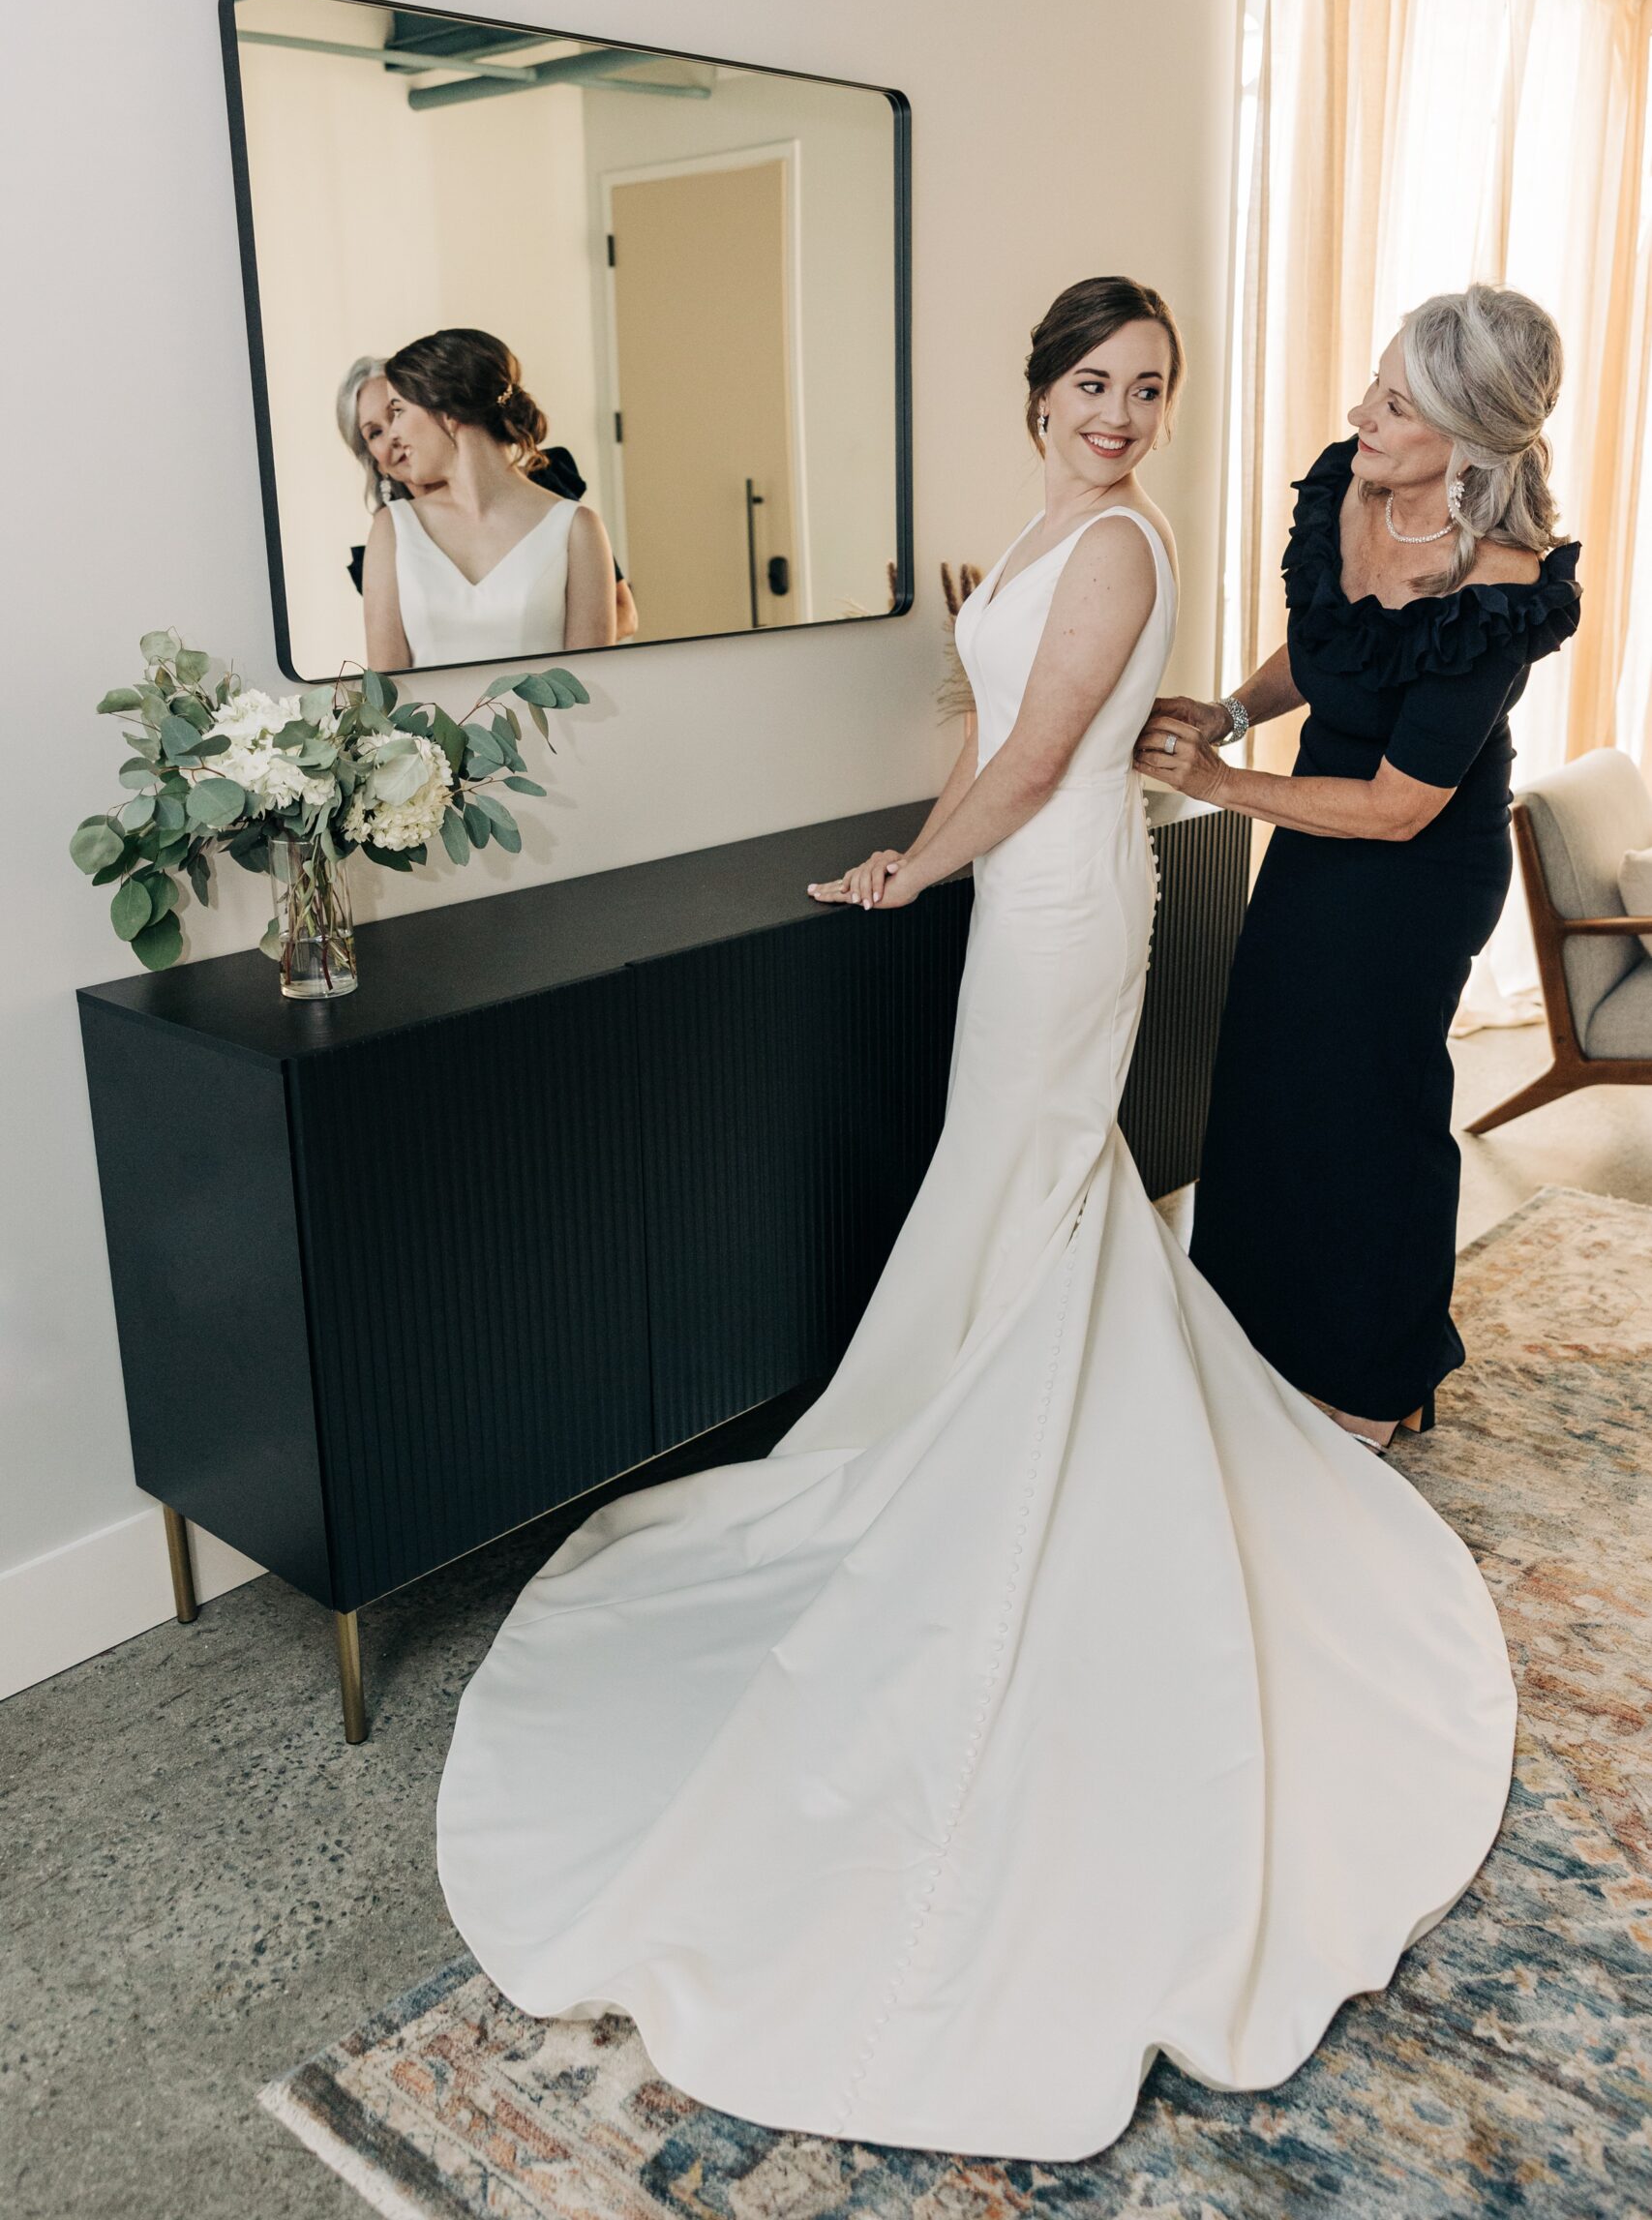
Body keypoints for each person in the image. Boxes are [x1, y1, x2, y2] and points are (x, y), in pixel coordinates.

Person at [436, 278, 1516, 2161]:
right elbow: (988, 719)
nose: (1119, 411)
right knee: (1020, 1193)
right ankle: (973, 1425)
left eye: (1148, 389)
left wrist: (913, 860)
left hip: (1065, 900)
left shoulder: (1113, 540)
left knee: (1026, 1185)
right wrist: (920, 840)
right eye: (1094, 383)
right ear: (1037, 394)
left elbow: (1036, 764)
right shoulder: (1033, 531)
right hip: (1019, 899)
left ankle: (1020, 1479)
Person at [1135, 285, 1580, 1453]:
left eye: (1392, 404)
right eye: (1374, 388)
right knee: (1271, 1079)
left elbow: (1398, 808)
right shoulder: (1355, 482)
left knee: (1370, 1110)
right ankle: (1259, 1341)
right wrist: (1234, 709)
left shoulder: (1500, 585)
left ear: (1468, 436)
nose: (1359, 415)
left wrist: (1223, 787)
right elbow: (1331, 639)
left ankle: (1378, 1378)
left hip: (1418, 865)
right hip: (1316, 825)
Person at [349, 332, 620, 667]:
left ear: (447, 411)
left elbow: (589, 686)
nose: (393, 433)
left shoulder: (577, 529)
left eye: (399, 410)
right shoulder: (392, 529)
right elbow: (385, 698)